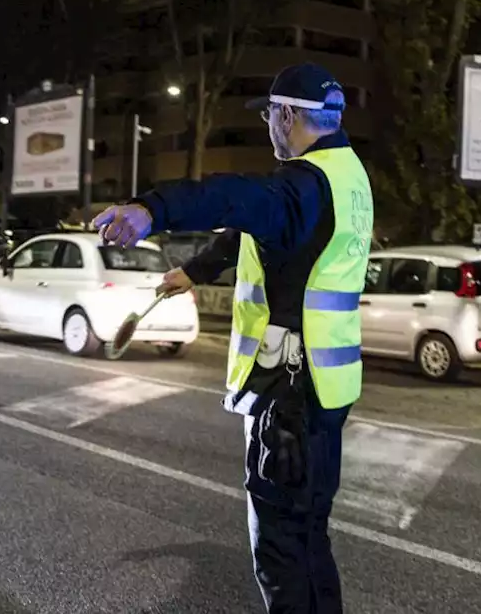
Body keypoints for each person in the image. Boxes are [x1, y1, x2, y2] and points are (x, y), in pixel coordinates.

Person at [93, 62, 371, 614]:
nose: (269, 123)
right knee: (310, 538)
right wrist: (193, 271)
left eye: (271, 113)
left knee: (281, 548)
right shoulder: (347, 176)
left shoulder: (301, 186)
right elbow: (249, 229)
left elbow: (234, 199)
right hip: (326, 390)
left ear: (289, 115)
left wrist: (152, 209)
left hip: (287, 392)